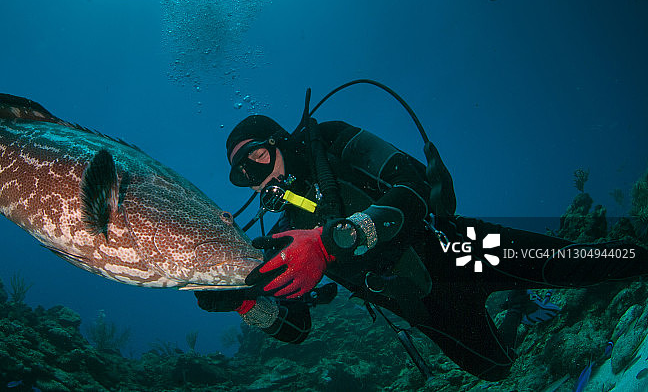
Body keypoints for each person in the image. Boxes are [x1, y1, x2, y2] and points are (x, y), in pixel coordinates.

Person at [196, 113, 648, 381]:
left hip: (459, 248)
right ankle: (516, 305)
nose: (256, 179)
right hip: (424, 306)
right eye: (243, 175)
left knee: (576, 264)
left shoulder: (328, 140)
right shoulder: (285, 233)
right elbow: (298, 329)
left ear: (281, 141)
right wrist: (246, 304)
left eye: (258, 158)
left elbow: (411, 183)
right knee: (496, 368)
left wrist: (334, 241)